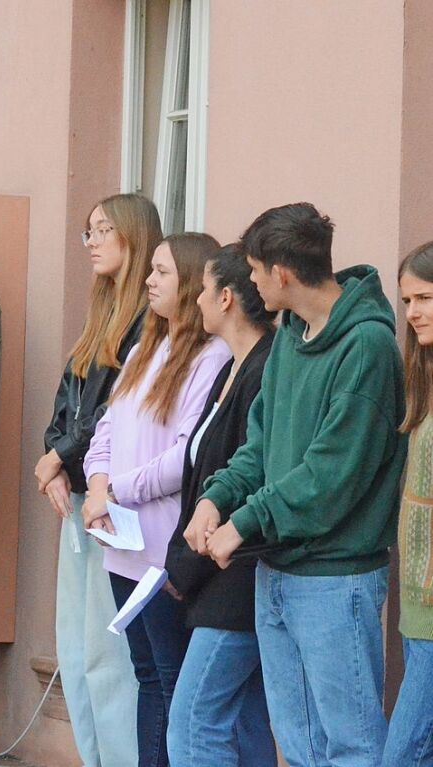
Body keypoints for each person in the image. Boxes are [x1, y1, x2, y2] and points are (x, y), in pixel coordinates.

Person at [199, 203, 406, 767]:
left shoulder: (367, 347)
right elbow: (260, 443)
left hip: (337, 582)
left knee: (352, 748)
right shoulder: (290, 333)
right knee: (298, 746)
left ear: (282, 274)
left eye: (256, 271)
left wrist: (244, 521)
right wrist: (217, 497)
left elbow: (330, 474)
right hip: (277, 573)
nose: (252, 282)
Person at [83, 232, 231, 767]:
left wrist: (117, 489)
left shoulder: (210, 358)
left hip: (160, 548)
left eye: (162, 272)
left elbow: (184, 457)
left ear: (192, 284)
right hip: (119, 540)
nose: (148, 280)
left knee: (171, 676)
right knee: (145, 671)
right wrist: (98, 484)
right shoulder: (146, 348)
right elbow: (106, 429)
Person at [37, 193, 160, 767]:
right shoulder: (100, 313)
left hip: (118, 506)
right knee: (78, 649)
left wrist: (59, 456)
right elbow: (70, 399)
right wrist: (53, 456)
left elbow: (113, 415)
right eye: (87, 230)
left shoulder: (149, 322)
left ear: (134, 237)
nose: (90, 241)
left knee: (111, 658)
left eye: (102, 230)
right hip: (80, 500)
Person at [164, 243, 276, 767]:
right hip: (215, 573)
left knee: (193, 724)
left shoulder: (263, 369)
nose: (198, 301)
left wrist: (188, 565)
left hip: (238, 573)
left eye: (204, 289)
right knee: (248, 724)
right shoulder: (228, 368)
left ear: (226, 297)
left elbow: (248, 473)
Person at [380, 241, 433, 766]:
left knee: (403, 754)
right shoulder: (422, 379)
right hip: (416, 609)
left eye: (426, 298)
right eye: (408, 300)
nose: (414, 312)